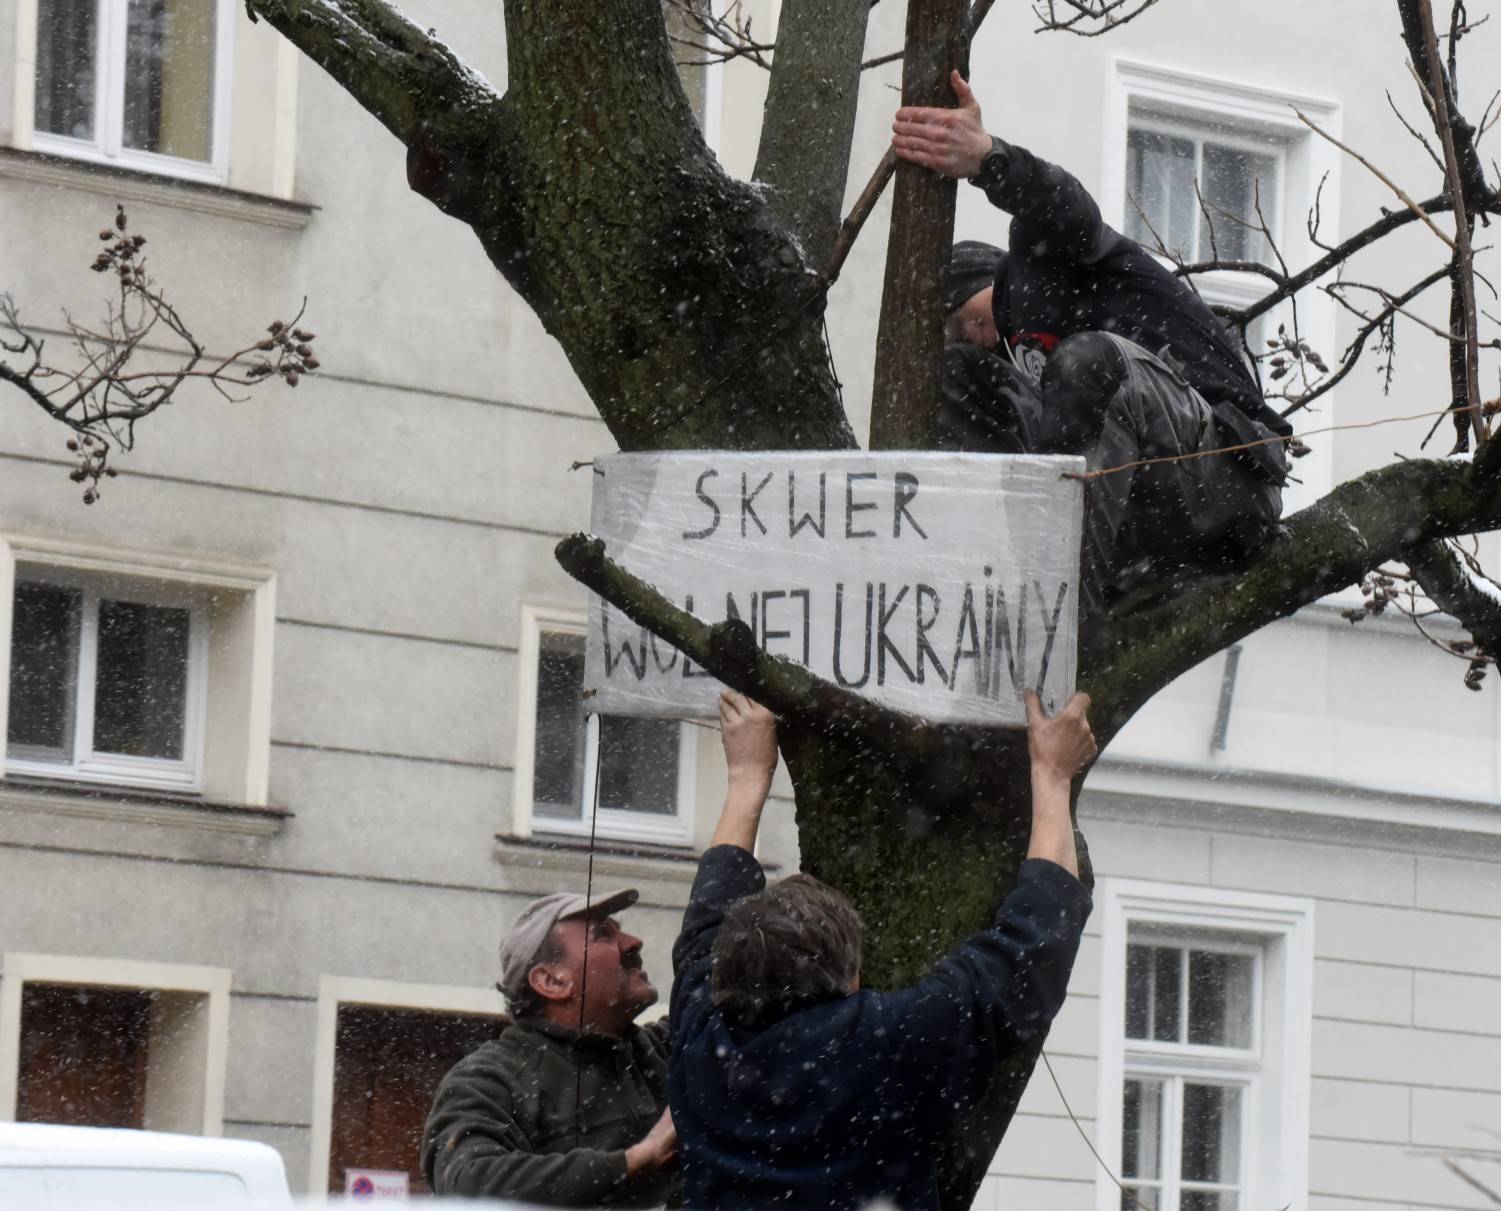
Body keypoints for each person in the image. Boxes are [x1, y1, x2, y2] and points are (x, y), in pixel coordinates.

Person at [668, 689, 1097, 1211]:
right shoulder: (885, 1044)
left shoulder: (700, 1040)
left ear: (728, 971)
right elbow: (1031, 948)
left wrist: (746, 778)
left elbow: (706, 920)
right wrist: (1052, 779)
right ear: (851, 975)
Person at [894, 73, 1290, 610]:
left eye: (964, 317)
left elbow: (1065, 208)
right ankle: (992, 587)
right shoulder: (1010, 373)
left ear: (993, 280)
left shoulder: (1041, 268)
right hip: (1147, 525)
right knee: (961, 382)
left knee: (1091, 362)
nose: (969, 336)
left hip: (1227, 476)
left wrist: (990, 160)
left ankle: (1053, 610)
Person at [420, 888, 680, 1207]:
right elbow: (468, 1182)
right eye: (603, 935)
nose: (633, 942)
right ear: (551, 981)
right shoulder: (489, 1078)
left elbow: (734, 989)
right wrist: (635, 1161)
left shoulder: (659, 1049)